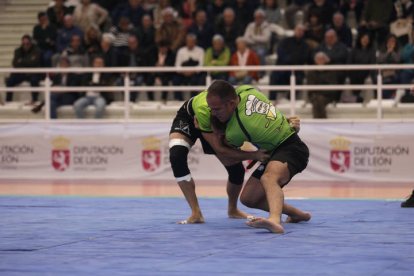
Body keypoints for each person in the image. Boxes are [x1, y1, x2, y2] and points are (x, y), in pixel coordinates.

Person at [169, 82, 301, 224]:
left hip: (217, 121)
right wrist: (254, 155)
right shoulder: (209, 110)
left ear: (232, 103)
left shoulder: (238, 103)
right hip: (192, 118)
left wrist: (283, 122)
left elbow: (261, 113)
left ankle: (232, 209)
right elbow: (221, 150)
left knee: (236, 169)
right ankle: (196, 213)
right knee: (177, 155)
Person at [206, 80, 311, 233]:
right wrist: (285, 120)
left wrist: (214, 137)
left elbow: (228, 156)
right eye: (211, 109)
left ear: (231, 103)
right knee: (249, 198)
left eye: (217, 109)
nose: (213, 112)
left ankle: (275, 220)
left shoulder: (235, 131)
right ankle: (297, 215)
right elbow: (267, 110)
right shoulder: (246, 89)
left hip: (292, 148)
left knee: (269, 178)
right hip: (275, 150)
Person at [5, 35, 42, 104]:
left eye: (27, 44)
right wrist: (28, 61)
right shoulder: (17, 51)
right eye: (23, 44)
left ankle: (35, 100)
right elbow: (15, 63)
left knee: (34, 80)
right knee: (10, 81)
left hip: (32, 73)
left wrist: (21, 61)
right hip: (21, 73)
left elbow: (34, 63)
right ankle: (8, 101)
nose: (25, 46)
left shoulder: (37, 50)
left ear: (31, 43)